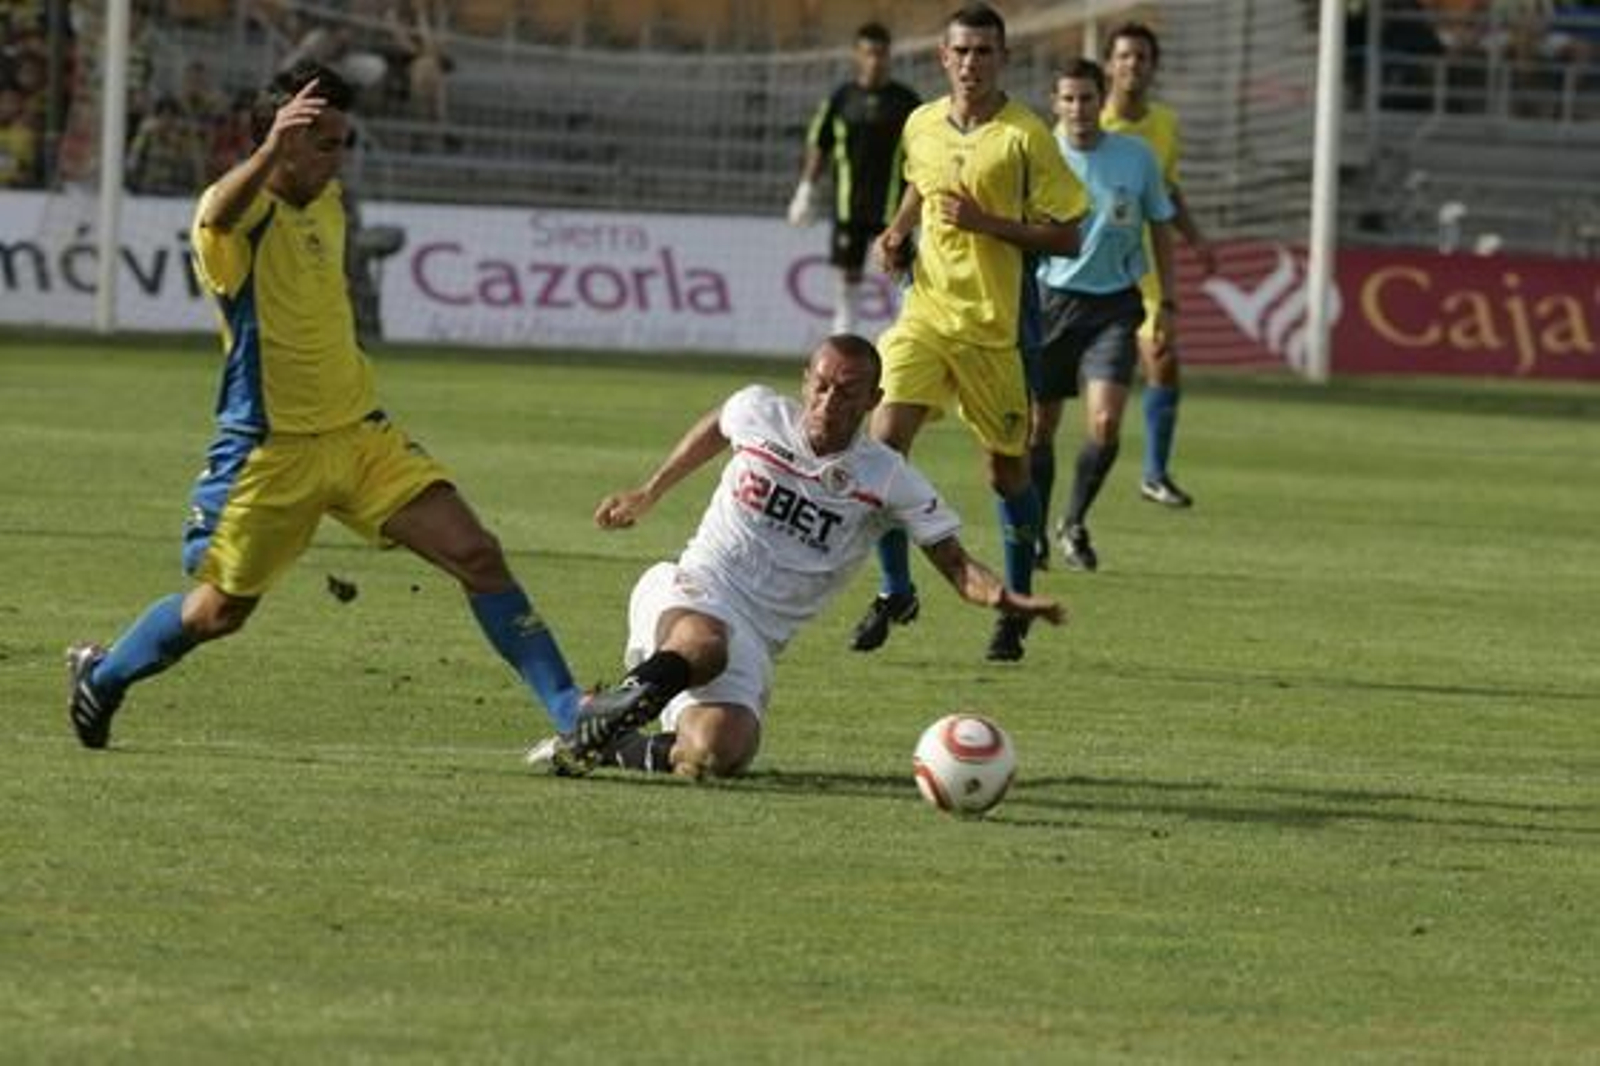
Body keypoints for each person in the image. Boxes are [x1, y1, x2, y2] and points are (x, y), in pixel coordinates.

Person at [65, 62, 584, 750]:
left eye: (344, 141)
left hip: (360, 435)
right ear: (279, 142)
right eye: (324, 144)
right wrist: (269, 153)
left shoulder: (330, 202)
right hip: (271, 451)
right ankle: (103, 676)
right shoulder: (233, 227)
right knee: (220, 612)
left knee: (477, 553)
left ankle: (572, 712)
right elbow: (218, 208)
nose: (338, 159)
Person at [526, 336, 1066, 779]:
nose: (830, 402)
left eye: (848, 392)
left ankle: (605, 737)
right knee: (705, 645)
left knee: (720, 753)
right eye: (822, 386)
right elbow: (718, 425)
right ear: (805, 381)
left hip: (757, 637)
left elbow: (955, 564)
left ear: (874, 400)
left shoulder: (888, 477)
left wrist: (1006, 598)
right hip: (693, 588)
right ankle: (604, 714)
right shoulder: (760, 410)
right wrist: (650, 490)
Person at [846, 3, 1085, 664]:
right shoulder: (921, 122)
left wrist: (989, 224)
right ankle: (896, 591)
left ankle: (1014, 607)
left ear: (1003, 58)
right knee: (882, 447)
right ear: (943, 59)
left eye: (985, 51)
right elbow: (918, 189)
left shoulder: (1025, 136)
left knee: (1006, 472)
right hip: (923, 314)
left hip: (991, 329)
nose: (972, 62)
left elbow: (1068, 232)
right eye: (962, 51)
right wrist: (896, 235)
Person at [1027, 59, 1176, 573]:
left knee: (1106, 422)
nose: (1078, 108)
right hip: (1051, 302)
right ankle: (1038, 533)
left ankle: (1074, 522)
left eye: (1086, 98)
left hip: (1115, 303)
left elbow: (1160, 224)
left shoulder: (1136, 158)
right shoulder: (1037, 155)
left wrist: (1168, 299)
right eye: (1067, 99)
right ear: (1055, 103)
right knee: (1038, 429)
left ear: (1101, 99)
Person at [1100, 21, 1216, 509]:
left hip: (1146, 262)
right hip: (1091, 266)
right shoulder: (1088, 122)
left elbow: (1167, 189)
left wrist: (1196, 238)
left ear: (1153, 67)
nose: (1132, 65)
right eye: (1124, 56)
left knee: (1164, 362)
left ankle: (1154, 473)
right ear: (1109, 64)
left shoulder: (1164, 124)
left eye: (1141, 57)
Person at [788, 21, 921, 335]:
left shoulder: (906, 101)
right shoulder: (841, 99)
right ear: (857, 56)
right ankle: (844, 334)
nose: (875, 60)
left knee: (901, 273)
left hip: (893, 210)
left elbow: (925, 151)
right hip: (849, 208)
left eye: (881, 53)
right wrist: (805, 189)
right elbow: (819, 143)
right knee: (848, 275)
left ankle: (908, 336)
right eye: (869, 53)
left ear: (889, 56)